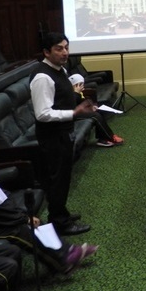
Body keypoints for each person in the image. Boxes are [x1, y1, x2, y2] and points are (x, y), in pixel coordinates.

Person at [0, 131, 97, 277]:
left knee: (31, 220)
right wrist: (22, 218)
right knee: (19, 229)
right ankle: (63, 262)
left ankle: (67, 250)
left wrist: (23, 215)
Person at [30, 32, 96, 236]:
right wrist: (74, 113)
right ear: (46, 52)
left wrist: (80, 106)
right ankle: (60, 222)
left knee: (63, 178)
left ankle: (60, 213)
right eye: (59, 48)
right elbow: (43, 114)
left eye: (66, 47)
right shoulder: (42, 77)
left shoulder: (59, 70)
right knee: (58, 179)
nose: (65, 52)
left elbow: (63, 98)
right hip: (52, 136)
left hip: (63, 133)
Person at [68, 74, 124, 148]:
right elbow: (72, 105)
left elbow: (82, 102)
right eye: (80, 85)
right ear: (74, 86)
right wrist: (75, 93)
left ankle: (102, 139)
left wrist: (92, 107)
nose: (82, 87)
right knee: (95, 116)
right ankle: (110, 137)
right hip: (71, 115)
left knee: (98, 111)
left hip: (79, 112)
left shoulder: (79, 93)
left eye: (82, 84)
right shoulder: (70, 94)